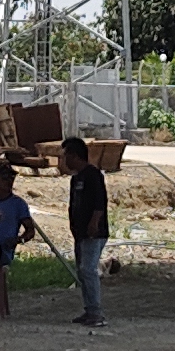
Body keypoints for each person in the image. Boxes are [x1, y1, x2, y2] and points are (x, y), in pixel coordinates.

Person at [57, 132, 109, 329]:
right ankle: (89, 309)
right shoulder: (75, 179)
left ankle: (96, 312)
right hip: (80, 233)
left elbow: (100, 203)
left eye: (66, 156)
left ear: (75, 155)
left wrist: (94, 223)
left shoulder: (93, 175)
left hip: (93, 233)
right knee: (82, 271)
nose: (64, 160)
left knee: (88, 269)